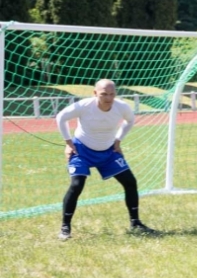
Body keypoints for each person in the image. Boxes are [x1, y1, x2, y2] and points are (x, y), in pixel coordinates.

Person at [54, 79, 152, 240]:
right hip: (81, 150)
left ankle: (135, 223)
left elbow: (130, 120)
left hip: (108, 151)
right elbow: (61, 117)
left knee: (130, 182)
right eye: (104, 94)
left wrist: (118, 140)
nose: (108, 98)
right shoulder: (84, 106)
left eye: (112, 94)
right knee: (77, 184)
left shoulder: (121, 107)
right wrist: (68, 142)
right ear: (95, 93)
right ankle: (65, 227)